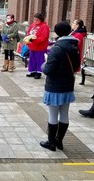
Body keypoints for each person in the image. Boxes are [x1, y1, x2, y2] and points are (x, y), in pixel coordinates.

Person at [39, 21, 80, 152]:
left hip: (54, 86)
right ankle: (59, 141)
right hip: (68, 85)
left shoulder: (56, 48)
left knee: (52, 115)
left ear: (57, 32)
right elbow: (76, 66)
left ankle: (51, 142)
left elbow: (48, 70)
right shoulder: (74, 46)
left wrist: (45, 62)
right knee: (64, 114)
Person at [25, 13, 50, 79]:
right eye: (35, 19)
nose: (35, 21)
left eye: (37, 20)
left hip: (40, 47)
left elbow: (44, 37)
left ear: (41, 20)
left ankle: (39, 73)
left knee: (39, 60)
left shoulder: (45, 26)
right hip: (32, 46)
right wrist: (27, 40)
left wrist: (34, 40)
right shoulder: (32, 25)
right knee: (32, 60)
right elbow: (28, 33)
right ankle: (33, 71)